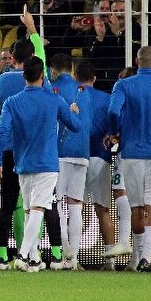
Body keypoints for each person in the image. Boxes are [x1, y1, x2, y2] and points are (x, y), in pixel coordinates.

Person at [0, 56, 81, 272]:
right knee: (38, 209)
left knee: (31, 211)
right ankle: (22, 256)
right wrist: (74, 111)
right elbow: (75, 126)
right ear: (43, 76)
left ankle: (34, 260)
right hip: (46, 164)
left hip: (22, 163)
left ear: (24, 77)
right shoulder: (53, 99)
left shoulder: (12, 102)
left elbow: (2, 132)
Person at [0, 7, 45, 269]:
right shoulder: (36, 78)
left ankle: (0, 256)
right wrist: (32, 29)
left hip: (7, 149)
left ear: (11, 58)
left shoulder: (0, 82)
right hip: (33, 149)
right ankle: (32, 253)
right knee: (34, 204)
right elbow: (41, 55)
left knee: (7, 204)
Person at [107, 46, 151, 271]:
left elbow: (113, 111)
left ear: (137, 61)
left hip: (131, 153)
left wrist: (114, 130)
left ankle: (137, 260)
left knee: (136, 207)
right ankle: (145, 258)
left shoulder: (123, 85)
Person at [77, 60, 129, 271]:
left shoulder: (73, 97)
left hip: (76, 158)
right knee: (103, 209)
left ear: (75, 77)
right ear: (95, 78)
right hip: (101, 156)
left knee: (75, 208)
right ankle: (110, 261)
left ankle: (72, 259)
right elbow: (116, 126)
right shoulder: (108, 99)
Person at [50, 53, 92, 271]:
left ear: (54, 70)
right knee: (76, 205)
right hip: (82, 153)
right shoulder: (83, 91)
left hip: (60, 152)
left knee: (56, 204)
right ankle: (73, 258)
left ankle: (64, 251)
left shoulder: (52, 88)